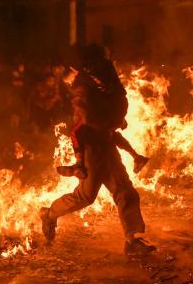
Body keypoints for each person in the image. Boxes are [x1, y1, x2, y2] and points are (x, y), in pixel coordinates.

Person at [40, 44, 155, 256]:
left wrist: (116, 120)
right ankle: (49, 213)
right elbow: (80, 127)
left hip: (107, 144)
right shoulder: (85, 86)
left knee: (126, 193)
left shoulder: (102, 80)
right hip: (92, 148)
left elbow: (116, 105)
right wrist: (80, 160)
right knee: (85, 197)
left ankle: (134, 238)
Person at [57, 45, 149, 179]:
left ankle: (79, 164)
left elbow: (85, 104)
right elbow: (104, 92)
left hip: (109, 111)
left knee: (75, 132)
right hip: (118, 106)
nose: (70, 82)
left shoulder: (84, 78)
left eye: (69, 80)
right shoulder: (106, 65)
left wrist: (85, 120)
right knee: (108, 132)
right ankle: (136, 157)